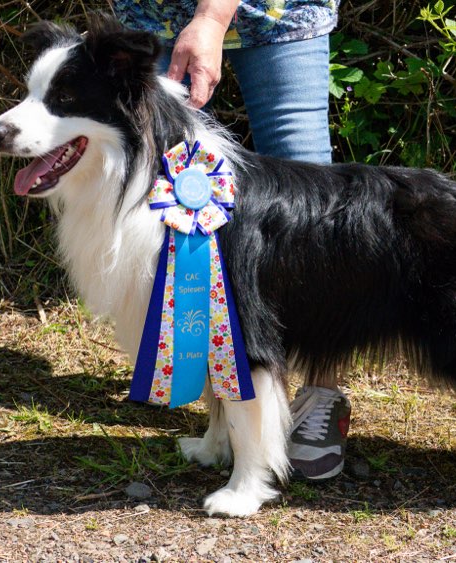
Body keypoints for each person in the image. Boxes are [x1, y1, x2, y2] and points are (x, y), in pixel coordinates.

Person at [112, 0, 351, 480]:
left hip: (282, 12)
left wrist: (213, 17)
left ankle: (321, 393)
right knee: (175, 220)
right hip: (153, 15)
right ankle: (223, 413)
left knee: (315, 209)